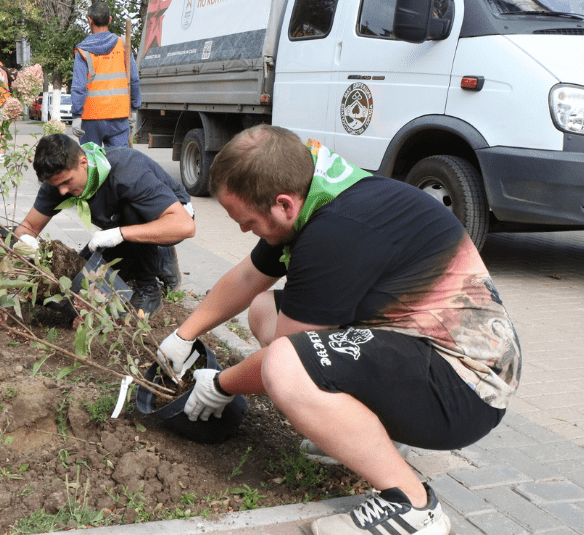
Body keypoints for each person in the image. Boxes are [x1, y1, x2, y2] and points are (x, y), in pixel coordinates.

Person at [156, 125, 521, 535]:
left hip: (464, 390)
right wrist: (183, 336)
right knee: (264, 308)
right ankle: (359, 434)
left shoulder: (336, 231)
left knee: (285, 365)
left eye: (249, 222)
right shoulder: (316, 192)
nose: (244, 231)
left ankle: (413, 506)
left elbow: (289, 353)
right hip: (431, 357)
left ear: (283, 205)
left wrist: (220, 385)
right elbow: (247, 278)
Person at [14, 134, 195, 316]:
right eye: (56, 185)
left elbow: (185, 226)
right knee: (85, 276)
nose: (62, 191)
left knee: (132, 211)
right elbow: (28, 225)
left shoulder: (126, 171)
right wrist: (25, 240)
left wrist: (119, 234)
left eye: (67, 182)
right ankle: (156, 257)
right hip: (120, 224)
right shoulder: (58, 181)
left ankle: (148, 287)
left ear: (83, 162)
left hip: (170, 217)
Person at [70, 1, 141, 148]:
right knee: (120, 162)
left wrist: (77, 116)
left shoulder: (83, 50)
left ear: (90, 20)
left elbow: (78, 87)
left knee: (92, 164)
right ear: (110, 19)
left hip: (91, 118)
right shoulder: (123, 45)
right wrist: (134, 108)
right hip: (118, 116)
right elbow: (133, 79)